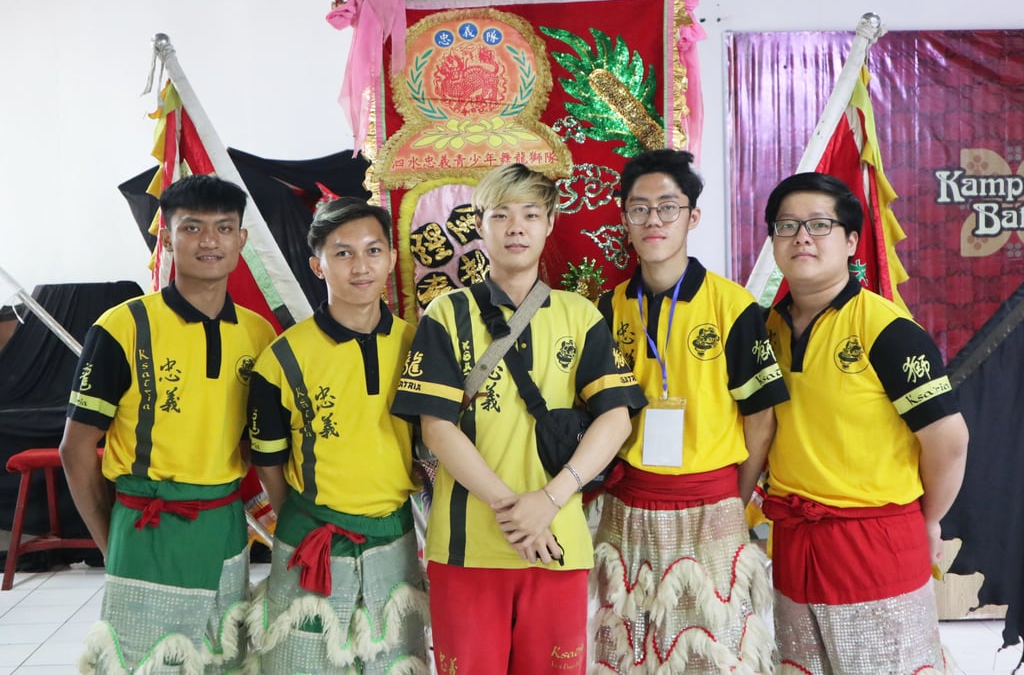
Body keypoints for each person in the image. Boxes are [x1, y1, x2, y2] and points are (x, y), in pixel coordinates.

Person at [391, 162, 647, 674]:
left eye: (531, 214)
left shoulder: (579, 314)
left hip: (559, 544)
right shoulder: (446, 312)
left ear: (550, 224)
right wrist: (518, 514)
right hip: (467, 548)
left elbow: (616, 418)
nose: (516, 226)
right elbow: (436, 427)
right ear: (479, 224)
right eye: (501, 214)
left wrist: (549, 501)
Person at [60, 174, 277, 674]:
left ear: (242, 239)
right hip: (146, 525)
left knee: (223, 657)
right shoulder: (123, 326)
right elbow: (76, 448)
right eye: (192, 228)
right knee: (142, 662)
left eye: (224, 228)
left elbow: (257, 443)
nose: (209, 241)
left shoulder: (259, 332)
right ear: (168, 237)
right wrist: (111, 543)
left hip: (224, 527)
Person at [762, 172, 969, 673]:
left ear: (852, 241)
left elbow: (948, 440)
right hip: (795, 541)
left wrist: (928, 518)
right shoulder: (764, 328)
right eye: (786, 225)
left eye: (818, 224)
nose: (801, 237)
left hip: (873, 542)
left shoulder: (887, 330)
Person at [591, 149, 788, 674]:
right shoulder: (608, 309)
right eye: (639, 209)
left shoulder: (733, 307)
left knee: (711, 652)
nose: (653, 220)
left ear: (692, 217)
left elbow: (762, 418)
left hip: (711, 506)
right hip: (627, 506)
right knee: (629, 650)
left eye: (668, 207)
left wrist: (733, 497)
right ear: (624, 217)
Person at [245, 197, 429, 673]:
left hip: (395, 534)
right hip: (312, 539)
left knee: (391, 661)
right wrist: (301, 517)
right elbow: (268, 457)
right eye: (343, 253)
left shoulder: (418, 346)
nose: (360, 266)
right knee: (302, 662)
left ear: (391, 259)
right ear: (318, 265)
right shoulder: (282, 358)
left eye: (372, 251)